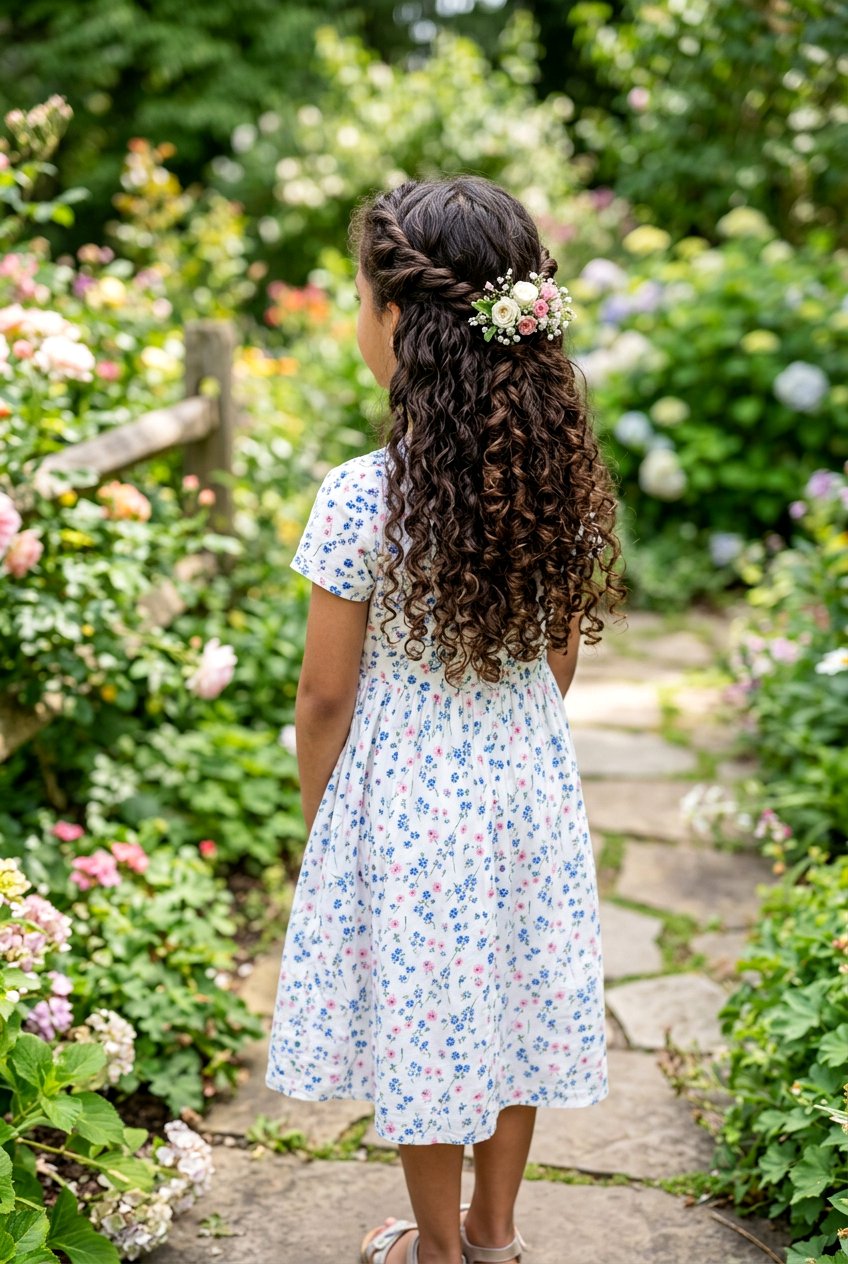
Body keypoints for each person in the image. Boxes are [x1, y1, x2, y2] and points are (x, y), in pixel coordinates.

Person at [265, 173, 626, 1264]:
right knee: (511, 1004)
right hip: (525, 786)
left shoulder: (360, 495)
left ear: (399, 325)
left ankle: (434, 1248)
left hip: (405, 808)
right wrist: (503, 737)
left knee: (427, 1025)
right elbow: (555, 659)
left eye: (360, 298)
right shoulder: (555, 482)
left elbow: (325, 695)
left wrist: (325, 817)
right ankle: (496, 1234)